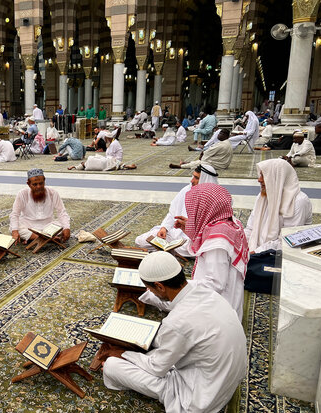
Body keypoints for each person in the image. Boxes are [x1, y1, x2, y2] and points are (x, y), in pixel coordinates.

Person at [101, 251, 246, 413]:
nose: (152, 293)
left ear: (160, 286)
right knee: (156, 348)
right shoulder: (209, 294)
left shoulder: (177, 322)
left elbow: (157, 368)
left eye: (150, 289)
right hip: (224, 383)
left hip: (199, 399)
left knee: (112, 366)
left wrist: (122, 354)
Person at [171, 183, 248, 320]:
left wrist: (180, 289)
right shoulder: (228, 222)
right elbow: (204, 237)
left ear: (204, 208)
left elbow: (215, 283)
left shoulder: (217, 241)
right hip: (224, 301)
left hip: (217, 311)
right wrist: (190, 228)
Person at [135, 164, 218, 257]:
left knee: (198, 249)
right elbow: (172, 214)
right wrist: (164, 228)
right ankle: (170, 249)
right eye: (193, 176)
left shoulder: (215, 199)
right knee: (140, 241)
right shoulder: (187, 190)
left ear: (205, 180)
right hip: (174, 234)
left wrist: (189, 227)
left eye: (196, 178)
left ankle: (169, 249)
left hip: (194, 239)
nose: (192, 180)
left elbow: (211, 229)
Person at [245, 159, 312, 254]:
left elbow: (287, 241)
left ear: (278, 178)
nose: (259, 180)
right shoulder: (263, 196)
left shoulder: (298, 201)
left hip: (281, 255)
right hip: (256, 250)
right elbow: (250, 228)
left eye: (264, 176)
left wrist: (255, 253)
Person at [10, 169, 70, 243]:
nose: (38, 187)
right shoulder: (22, 194)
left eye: (41, 183)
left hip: (48, 225)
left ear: (44, 181)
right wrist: (15, 231)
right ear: (28, 184)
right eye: (35, 184)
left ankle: (35, 238)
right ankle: (46, 238)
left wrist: (67, 228)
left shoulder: (52, 193)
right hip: (28, 226)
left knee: (62, 225)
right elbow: (15, 214)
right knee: (14, 228)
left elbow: (61, 212)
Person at [69, 130, 135, 171]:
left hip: (114, 161)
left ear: (108, 138)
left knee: (94, 160)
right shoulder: (110, 143)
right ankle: (76, 167)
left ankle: (127, 166)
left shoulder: (114, 143)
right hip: (109, 159)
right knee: (94, 158)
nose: (105, 140)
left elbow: (111, 157)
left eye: (106, 138)